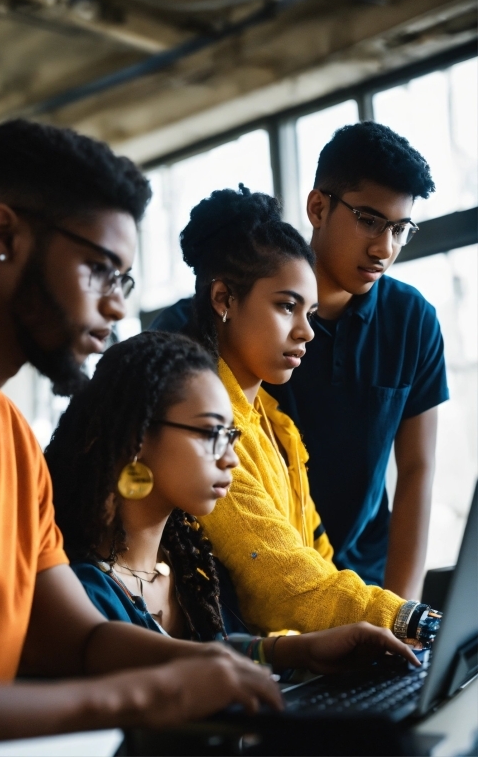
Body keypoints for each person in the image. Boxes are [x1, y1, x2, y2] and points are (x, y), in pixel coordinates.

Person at [0, 121, 281, 752]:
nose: (117, 307)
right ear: (4, 236)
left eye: (123, 281)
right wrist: (135, 697)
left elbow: (78, 637)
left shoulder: (13, 441)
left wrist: (217, 662)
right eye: (99, 269)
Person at [152, 123, 447, 600]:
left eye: (399, 229)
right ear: (318, 208)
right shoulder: (200, 327)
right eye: (370, 220)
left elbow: (417, 469)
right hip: (242, 584)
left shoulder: (411, 321)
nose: (384, 248)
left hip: (359, 579)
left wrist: (402, 609)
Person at [46, 330, 421, 675]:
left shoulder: (194, 569)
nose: (231, 458)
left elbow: (218, 652)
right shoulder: (80, 593)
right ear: (138, 436)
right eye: (211, 434)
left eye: (231, 436)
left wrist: (300, 651)